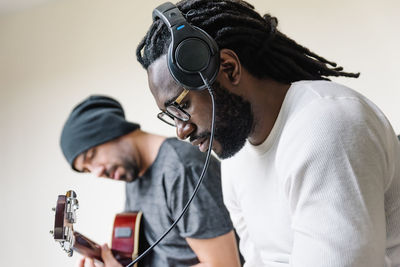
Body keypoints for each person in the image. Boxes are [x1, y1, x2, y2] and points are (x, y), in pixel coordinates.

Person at [136, 0, 400, 266]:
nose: (181, 131)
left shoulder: (326, 126)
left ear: (228, 68)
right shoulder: (235, 158)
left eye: (182, 105)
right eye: (170, 115)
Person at [59, 95, 241, 267]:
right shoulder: (132, 177)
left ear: (111, 129)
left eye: (92, 156)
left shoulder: (181, 168)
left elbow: (224, 264)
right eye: (87, 170)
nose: (97, 172)